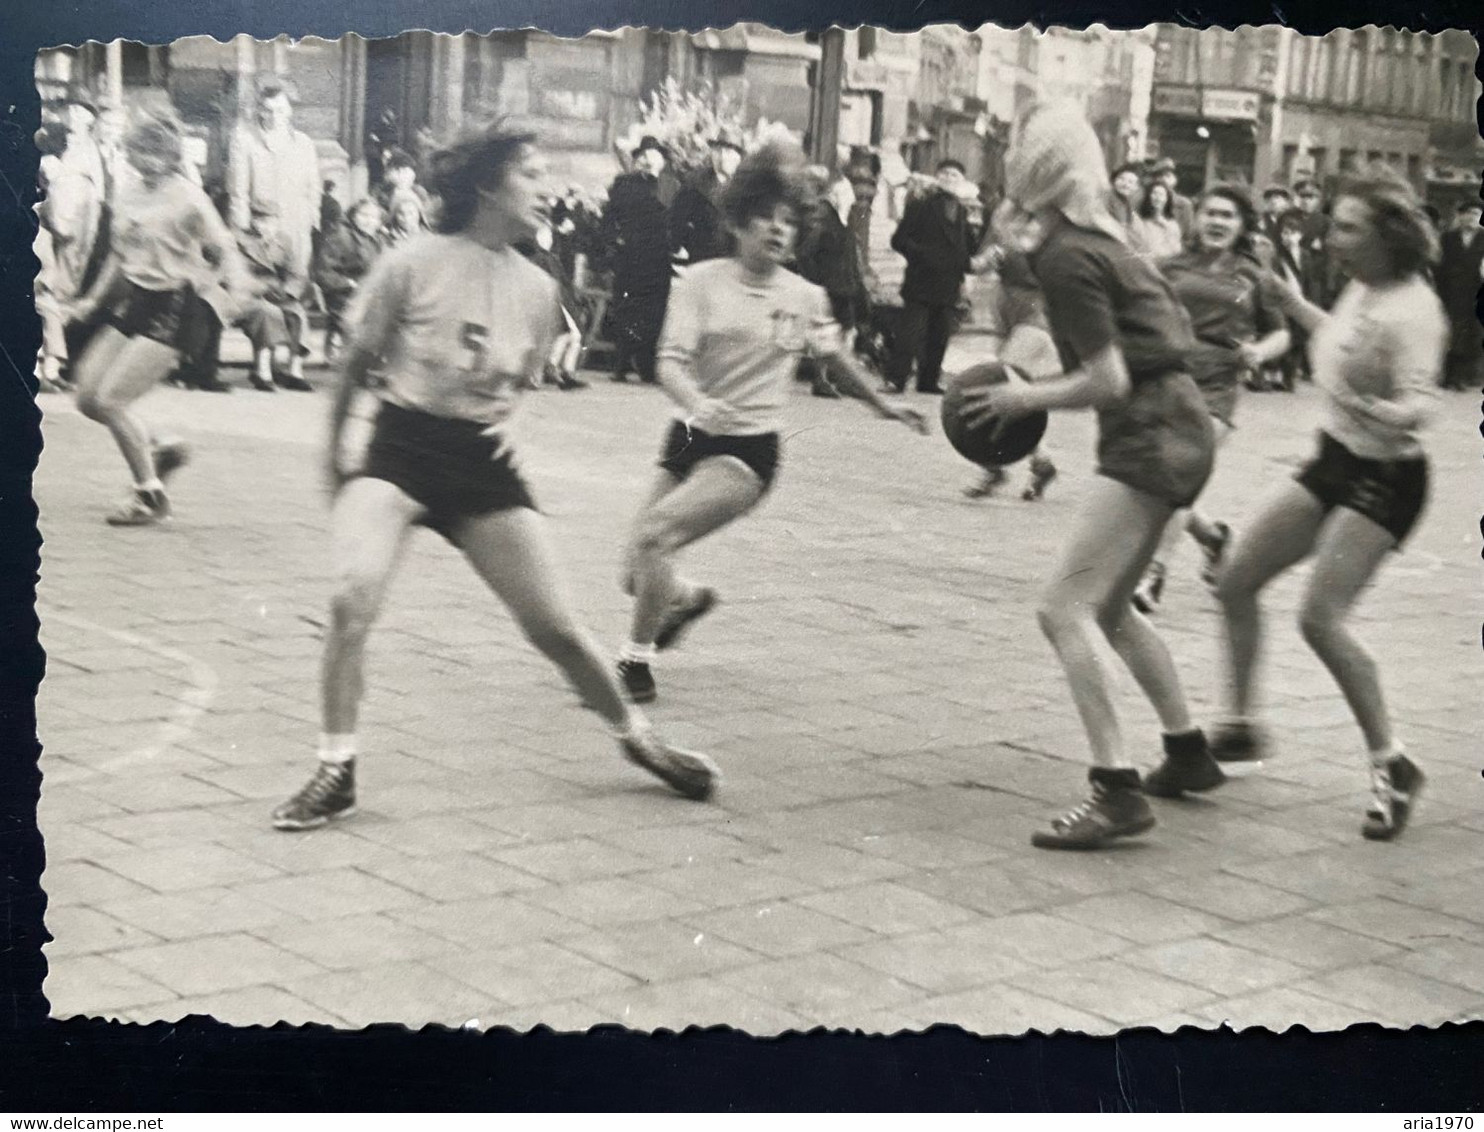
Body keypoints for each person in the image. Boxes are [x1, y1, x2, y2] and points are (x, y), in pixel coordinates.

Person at [270, 121, 719, 831]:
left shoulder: (540, 289)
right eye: (532, 174)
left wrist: (510, 426)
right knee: (351, 598)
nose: (545, 189)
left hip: (478, 464)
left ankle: (641, 741)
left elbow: (521, 384)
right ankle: (336, 768)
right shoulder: (412, 262)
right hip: (400, 451)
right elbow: (354, 367)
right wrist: (335, 464)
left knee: (558, 629)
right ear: (487, 184)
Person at [960, 103, 1223, 850]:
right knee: (1108, 608)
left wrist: (1021, 395)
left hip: (1147, 433)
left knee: (1062, 609)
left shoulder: (1069, 255)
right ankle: (1188, 751)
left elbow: (1105, 378)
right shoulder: (1108, 239)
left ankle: (1115, 790)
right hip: (1181, 424)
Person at [615, 144, 927, 706]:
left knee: (656, 537)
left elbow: (835, 359)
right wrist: (695, 402)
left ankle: (634, 662)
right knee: (634, 572)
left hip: (747, 451)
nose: (779, 231)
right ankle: (684, 598)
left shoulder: (805, 297)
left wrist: (884, 405)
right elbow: (668, 362)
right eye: (767, 219)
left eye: (789, 222)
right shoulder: (700, 283)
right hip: (690, 432)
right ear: (737, 222)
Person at [1211, 167, 1446, 842]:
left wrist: (1391, 409)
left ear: (1386, 235)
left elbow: (1425, 402)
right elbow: (1336, 341)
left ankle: (1393, 764)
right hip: (1335, 460)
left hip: (1387, 477)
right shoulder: (1364, 287)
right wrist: (1286, 298)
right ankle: (1241, 726)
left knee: (1321, 618)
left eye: (1347, 228)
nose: (1332, 237)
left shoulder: (1414, 311)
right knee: (1236, 580)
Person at [61, 113, 248, 526]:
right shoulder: (126, 193)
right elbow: (117, 254)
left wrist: (219, 287)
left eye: (149, 154)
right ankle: (160, 450)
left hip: (177, 306)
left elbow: (224, 249)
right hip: (139, 300)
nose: (140, 161)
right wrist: (92, 300)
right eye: (134, 153)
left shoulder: (188, 197)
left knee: (112, 401)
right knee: (89, 398)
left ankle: (150, 495)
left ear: (169, 157)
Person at [1132, 185, 1292, 614]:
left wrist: (1260, 351)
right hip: (1169, 376)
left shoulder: (1255, 275)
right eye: (1210, 213)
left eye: (1228, 215)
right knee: (1164, 478)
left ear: (1241, 225)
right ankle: (1215, 539)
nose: (1217, 222)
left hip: (1219, 383)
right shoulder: (1170, 265)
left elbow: (1281, 333)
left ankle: (1154, 573)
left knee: (1179, 473)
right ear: (1196, 218)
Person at [962, 202, 1059, 503]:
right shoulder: (1005, 235)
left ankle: (993, 466)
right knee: (1015, 394)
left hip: (1035, 317)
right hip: (1007, 317)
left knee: (997, 386)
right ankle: (1041, 462)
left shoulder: (1051, 238)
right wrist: (980, 259)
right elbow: (976, 265)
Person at [228, 79, 321, 391]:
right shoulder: (245, 139)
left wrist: (310, 222)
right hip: (261, 224)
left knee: (294, 292)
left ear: (290, 110)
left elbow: (313, 187)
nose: (273, 115)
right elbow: (238, 190)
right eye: (267, 110)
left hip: (296, 227)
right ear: (259, 110)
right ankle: (261, 365)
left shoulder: (303, 142)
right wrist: (242, 231)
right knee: (264, 294)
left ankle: (293, 367)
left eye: (280, 109)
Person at [885, 159, 993, 395]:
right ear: (936, 176)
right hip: (921, 279)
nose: (948, 178)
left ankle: (929, 380)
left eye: (954, 175)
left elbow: (968, 248)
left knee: (939, 336)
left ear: (962, 181)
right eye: (944, 173)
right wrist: (922, 255)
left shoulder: (964, 212)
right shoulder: (920, 205)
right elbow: (899, 240)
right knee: (910, 334)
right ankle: (895, 380)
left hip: (948, 284)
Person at [602, 136, 674, 386]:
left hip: (658, 260)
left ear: (662, 161)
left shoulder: (671, 186)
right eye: (642, 156)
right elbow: (608, 219)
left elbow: (676, 223)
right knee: (626, 310)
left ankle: (647, 367)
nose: (646, 160)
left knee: (655, 313)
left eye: (652, 155)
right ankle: (621, 365)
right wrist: (615, 243)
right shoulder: (624, 184)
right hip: (630, 258)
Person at [794, 164, 870, 398]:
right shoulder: (825, 215)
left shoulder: (843, 216)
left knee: (845, 330)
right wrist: (816, 282)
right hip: (829, 285)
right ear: (835, 194)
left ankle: (838, 377)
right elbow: (806, 252)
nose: (852, 197)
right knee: (828, 332)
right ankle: (822, 379)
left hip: (843, 284)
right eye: (846, 192)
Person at [313, 198, 385, 362]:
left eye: (374, 217)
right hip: (343, 294)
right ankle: (359, 362)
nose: (368, 221)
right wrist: (349, 283)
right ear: (353, 215)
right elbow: (323, 272)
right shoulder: (340, 236)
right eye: (364, 215)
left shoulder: (378, 240)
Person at [670, 133, 743, 265]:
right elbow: (676, 222)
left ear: (739, 158)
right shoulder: (695, 183)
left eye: (728, 152)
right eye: (717, 151)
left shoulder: (746, 188)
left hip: (734, 265)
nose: (722, 157)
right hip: (702, 261)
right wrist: (689, 245)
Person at [1436, 200, 1483, 391]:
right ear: (1460, 216)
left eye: (1476, 214)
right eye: (1469, 213)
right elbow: (1438, 265)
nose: (1472, 218)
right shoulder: (1447, 238)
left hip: (1477, 293)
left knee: (1474, 333)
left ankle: (1467, 376)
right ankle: (1450, 376)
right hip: (1452, 292)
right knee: (1452, 333)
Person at [1131, 180, 1183, 260]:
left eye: (1161, 194)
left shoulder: (1172, 225)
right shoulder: (1139, 221)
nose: (1157, 197)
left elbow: (1177, 251)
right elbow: (1135, 248)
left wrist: (1165, 226)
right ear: (1148, 196)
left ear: (1167, 199)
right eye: (1154, 193)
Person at [1150, 158, 1195, 238]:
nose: (1163, 180)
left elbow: (1188, 235)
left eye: (1168, 176)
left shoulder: (1184, 204)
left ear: (1175, 179)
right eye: (1159, 176)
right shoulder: (1147, 200)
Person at [1108, 163, 1145, 230]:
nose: (1125, 184)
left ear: (1136, 187)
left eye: (1130, 182)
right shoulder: (1107, 198)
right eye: (1121, 179)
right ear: (1114, 180)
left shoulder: (1127, 204)